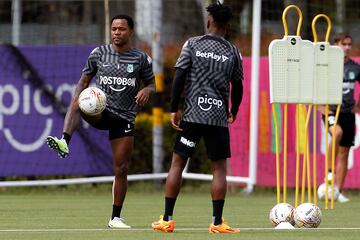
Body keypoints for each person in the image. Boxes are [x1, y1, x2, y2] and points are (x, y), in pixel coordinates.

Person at [46, 14, 155, 228]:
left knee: (121, 168)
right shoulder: (99, 54)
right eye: (114, 29)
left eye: (121, 29)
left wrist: (146, 90)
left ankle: (115, 218)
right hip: (101, 111)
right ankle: (64, 141)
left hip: (124, 117)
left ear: (130, 32)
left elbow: (152, 84)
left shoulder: (140, 59)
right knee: (78, 101)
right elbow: (83, 81)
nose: (116, 32)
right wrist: (79, 96)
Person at [151, 2, 243, 234]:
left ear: (209, 22)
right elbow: (238, 86)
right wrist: (235, 109)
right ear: (228, 25)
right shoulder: (233, 51)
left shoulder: (192, 44)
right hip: (218, 118)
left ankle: (167, 219)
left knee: (177, 164)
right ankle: (217, 221)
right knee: (219, 169)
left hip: (192, 115)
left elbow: (179, 77)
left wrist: (174, 108)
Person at [322, 33, 360, 203]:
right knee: (336, 133)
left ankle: (337, 191)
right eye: (343, 44)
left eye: (349, 44)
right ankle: (329, 173)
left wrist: (358, 106)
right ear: (336, 44)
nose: (347, 47)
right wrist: (321, 107)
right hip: (330, 110)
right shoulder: (326, 65)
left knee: (344, 152)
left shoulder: (355, 67)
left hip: (347, 113)